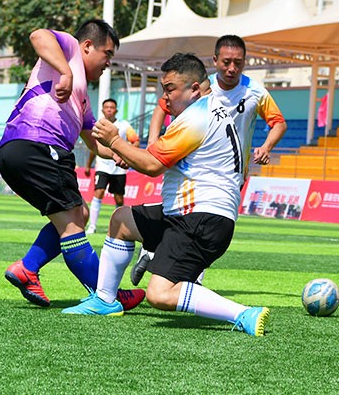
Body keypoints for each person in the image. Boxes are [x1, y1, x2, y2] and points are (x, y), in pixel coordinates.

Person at [62, 53, 270, 337]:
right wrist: (126, 152)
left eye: (170, 89)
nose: (165, 97)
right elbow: (154, 158)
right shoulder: (212, 109)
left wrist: (114, 141)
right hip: (192, 213)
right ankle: (105, 300)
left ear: (194, 88)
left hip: (199, 219)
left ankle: (243, 313)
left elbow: (152, 166)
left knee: (159, 294)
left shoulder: (196, 117)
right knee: (122, 220)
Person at [0, 20, 144, 311]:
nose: (108, 63)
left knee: (79, 213)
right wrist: (65, 71)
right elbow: (38, 35)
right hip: (39, 145)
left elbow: (95, 144)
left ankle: (28, 268)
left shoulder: (83, 99)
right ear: (88, 46)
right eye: (107, 54)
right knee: (74, 223)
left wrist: (120, 152)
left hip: (17, 150)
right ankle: (108, 294)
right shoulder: (70, 50)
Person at [132, 34, 287, 284]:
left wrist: (266, 146)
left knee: (200, 218)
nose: (232, 68)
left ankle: (159, 254)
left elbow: (278, 122)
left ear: (245, 62)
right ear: (215, 60)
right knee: (189, 212)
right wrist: (152, 141)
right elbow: (163, 105)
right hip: (193, 157)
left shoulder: (256, 92)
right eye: (226, 62)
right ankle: (179, 273)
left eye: (238, 62)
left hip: (231, 170)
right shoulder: (199, 85)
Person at [84, 98, 140, 235]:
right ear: (102, 110)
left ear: (116, 110)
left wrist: (127, 155)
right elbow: (93, 147)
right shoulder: (98, 125)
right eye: (107, 107)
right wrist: (88, 165)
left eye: (112, 107)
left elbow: (135, 141)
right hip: (102, 166)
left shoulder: (124, 125)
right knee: (99, 192)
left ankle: (119, 225)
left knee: (119, 198)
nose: (109, 109)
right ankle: (92, 226)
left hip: (119, 168)